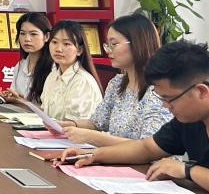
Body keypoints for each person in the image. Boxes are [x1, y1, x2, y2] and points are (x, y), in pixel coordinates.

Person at [62, 40, 209, 194]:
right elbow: (146, 148)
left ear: (201, 91)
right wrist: (93, 155)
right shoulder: (191, 117)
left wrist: (188, 171)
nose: (165, 106)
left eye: (169, 99)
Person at [60, 14, 171, 146]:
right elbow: (97, 123)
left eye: (113, 44)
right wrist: (70, 125)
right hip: (115, 157)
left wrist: (91, 137)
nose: (108, 50)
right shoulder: (117, 83)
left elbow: (150, 147)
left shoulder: (158, 91)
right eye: (107, 45)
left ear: (137, 44)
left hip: (141, 160)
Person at [38, 20, 102, 121]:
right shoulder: (52, 76)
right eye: (54, 42)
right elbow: (44, 112)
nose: (58, 49)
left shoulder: (82, 81)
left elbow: (76, 124)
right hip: (51, 130)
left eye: (66, 44)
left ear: (79, 50)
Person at [0, 12, 53, 105]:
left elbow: (51, 109)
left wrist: (22, 101)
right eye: (22, 33)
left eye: (33, 34)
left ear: (46, 36)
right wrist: (11, 97)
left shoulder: (54, 68)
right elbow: (17, 96)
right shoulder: (20, 65)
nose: (27, 39)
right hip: (20, 112)